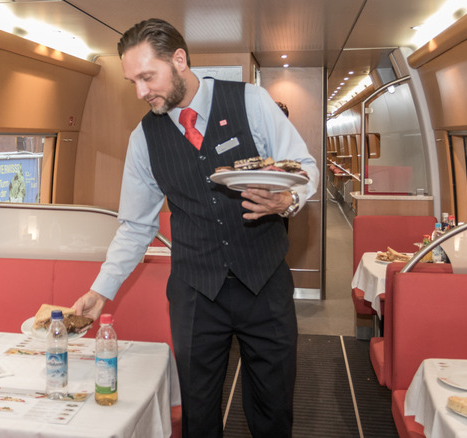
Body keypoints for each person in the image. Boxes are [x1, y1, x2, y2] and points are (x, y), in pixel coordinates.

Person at [71, 19, 319, 437]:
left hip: (264, 280)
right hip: (196, 292)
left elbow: (304, 165)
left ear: (180, 61)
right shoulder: (143, 139)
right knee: (199, 412)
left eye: (147, 76)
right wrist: (100, 291)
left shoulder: (251, 101)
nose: (140, 91)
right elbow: (135, 227)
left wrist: (288, 199)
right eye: (133, 80)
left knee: (272, 407)